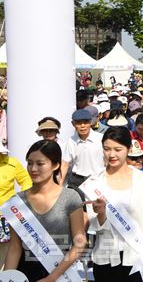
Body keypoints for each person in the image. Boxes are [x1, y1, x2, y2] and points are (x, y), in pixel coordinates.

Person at [83, 127, 143, 282]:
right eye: (107, 149)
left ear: (128, 149)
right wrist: (101, 213)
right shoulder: (94, 183)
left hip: (138, 258)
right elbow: (95, 227)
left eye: (117, 149)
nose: (112, 155)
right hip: (105, 259)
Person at [3, 140, 83, 280]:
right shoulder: (16, 202)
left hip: (61, 274)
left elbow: (80, 244)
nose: (33, 169)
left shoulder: (70, 197)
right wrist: (7, 277)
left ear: (56, 165)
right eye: (29, 162)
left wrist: (51, 278)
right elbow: (15, 247)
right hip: (24, 275)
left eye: (40, 164)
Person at [0, 144, 32, 270]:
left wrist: (21, 200)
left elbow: (26, 180)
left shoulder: (12, 163)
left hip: (5, 215)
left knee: (6, 250)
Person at [61, 109, 105, 188]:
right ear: (73, 124)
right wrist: (59, 186)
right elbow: (64, 164)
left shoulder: (101, 139)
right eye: (78, 123)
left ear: (90, 122)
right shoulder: (71, 141)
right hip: (76, 181)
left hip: (97, 180)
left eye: (85, 122)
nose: (82, 126)